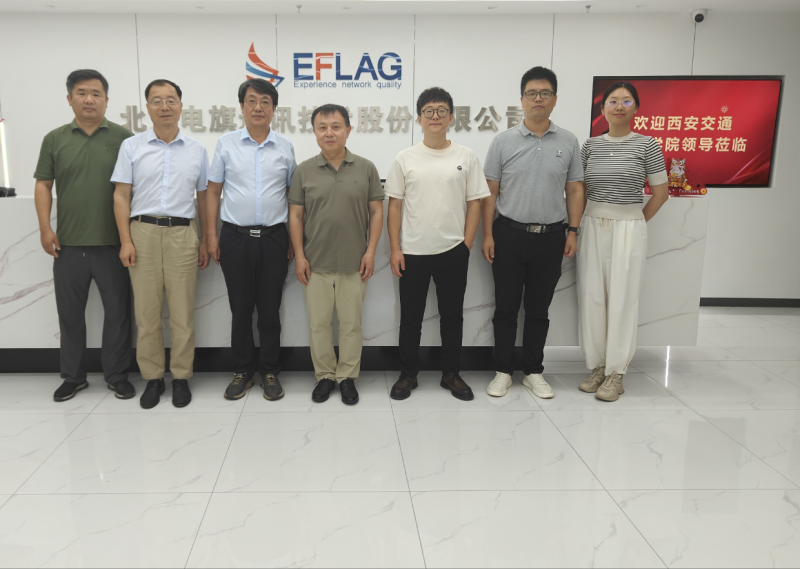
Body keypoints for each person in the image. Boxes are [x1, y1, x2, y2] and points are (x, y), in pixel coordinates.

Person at [482, 66, 585, 400]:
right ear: (522, 99)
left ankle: (533, 371)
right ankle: (502, 371)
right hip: (508, 234)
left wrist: (573, 231)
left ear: (554, 99)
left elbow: (575, 189)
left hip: (552, 237)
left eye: (544, 93)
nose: (537, 99)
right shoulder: (503, 141)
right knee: (506, 309)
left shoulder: (568, 141)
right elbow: (490, 192)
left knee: (539, 310)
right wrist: (487, 234)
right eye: (531, 93)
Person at [34, 69, 135, 402]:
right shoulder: (54, 139)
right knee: (70, 315)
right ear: (69, 98)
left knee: (118, 314)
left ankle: (116, 375)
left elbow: (133, 189)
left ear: (106, 99)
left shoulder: (124, 138)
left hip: (114, 244)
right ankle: (73, 376)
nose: (89, 99)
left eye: (96, 93)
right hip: (68, 244)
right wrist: (45, 227)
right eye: (82, 93)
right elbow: (43, 184)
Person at [385, 87, 490, 401]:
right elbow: (394, 206)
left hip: (453, 251)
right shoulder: (405, 158)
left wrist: (466, 245)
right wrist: (395, 248)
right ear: (419, 118)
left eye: (441, 110)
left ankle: (451, 374)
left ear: (451, 117)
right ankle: (408, 374)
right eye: (428, 111)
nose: (435, 116)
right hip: (412, 252)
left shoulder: (465, 156)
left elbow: (475, 203)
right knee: (410, 318)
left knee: (452, 317)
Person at [112, 79, 210, 409]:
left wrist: (205, 239)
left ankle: (181, 377)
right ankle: (153, 378)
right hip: (143, 233)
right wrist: (125, 240)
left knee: (182, 313)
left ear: (181, 106)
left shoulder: (197, 150)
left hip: (183, 234)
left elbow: (203, 198)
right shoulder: (132, 147)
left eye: (171, 100)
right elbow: (121, 195)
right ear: (147, 108)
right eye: (156, 100)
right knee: (147, 314)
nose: (164, 106)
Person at [205, 78, 296, 402]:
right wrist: (211, 235)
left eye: (265, 102)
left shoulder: (285, 147)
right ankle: (243, 370)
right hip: (235, 237)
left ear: (274, 109)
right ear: (242, 107)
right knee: (240, 309)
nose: (258, 107)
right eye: (252, 101)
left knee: (270, 310)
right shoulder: (226, 144)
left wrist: (292, 239)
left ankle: (270, 370)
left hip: (274, 237)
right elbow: (213, 191)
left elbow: (291, 195)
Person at [577, 81, 669, 402]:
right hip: (592, 224)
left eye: (626, 101)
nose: (619, 106)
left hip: (629, 227)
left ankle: (617, 373)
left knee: (622, 298)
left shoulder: (647, 145)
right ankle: (598, 366)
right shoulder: (590, 146)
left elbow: (661, 193)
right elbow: (578, 190)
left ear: (636, 108)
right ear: (602, 109)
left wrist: (635, 220)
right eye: (613, 101)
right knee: (593, 297)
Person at [288, 104, 384, 405]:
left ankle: (347, 378)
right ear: (315, 132)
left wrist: (371, 251)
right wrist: (300, 256)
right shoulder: (303, 170)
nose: (329, 133)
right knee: (318, 324)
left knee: (351, 325)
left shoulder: (366, 168)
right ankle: (325, 376)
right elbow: (295, 216)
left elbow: (376, 212)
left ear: (348, 130)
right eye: (322, 127)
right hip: (314, 263)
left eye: (336, 126)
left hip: (354, 262)